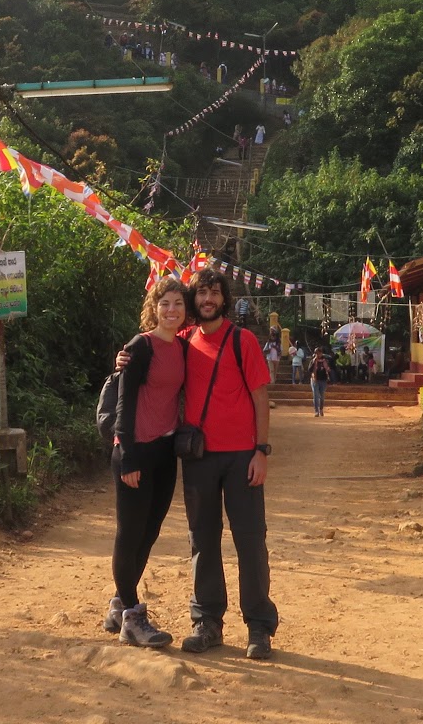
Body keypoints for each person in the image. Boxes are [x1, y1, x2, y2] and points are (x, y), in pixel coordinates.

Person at [178, 269, 277, 660]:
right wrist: (125, 358)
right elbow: (153, 361)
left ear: (225, 299)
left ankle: (259, 627)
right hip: (199, 457)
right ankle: (207, 622)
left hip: (242, 457)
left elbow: (260, 396)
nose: (208, 299)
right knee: (202, 540)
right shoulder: (183, 341)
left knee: (250, 541)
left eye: (215, 293)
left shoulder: (243, 341)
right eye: (202, 293)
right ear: (194, 299)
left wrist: (261, 451)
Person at [103, 277, 189, 648]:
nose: (172, 310)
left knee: (150, 533)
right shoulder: (140, 346)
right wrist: (127, 456)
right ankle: (133, 617)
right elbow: (124, 405)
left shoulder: (183, 347)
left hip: (165, 454)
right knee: (130, 533)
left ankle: (119, 605)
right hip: (135, 450)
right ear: (153, 307)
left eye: (178, 304)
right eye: (165, 303)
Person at [309, 349, 330, 416]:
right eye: (316, 353)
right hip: (315, 380)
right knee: (315, 396)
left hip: (323, 380)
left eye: (319, 353)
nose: (318, 355)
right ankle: (316, 411)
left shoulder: (325, 361)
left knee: (322, 396)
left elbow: (329, 369)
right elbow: (309, 370)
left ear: (321, 353)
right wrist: (313, 362)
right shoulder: (313, 360)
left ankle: (321, 409)